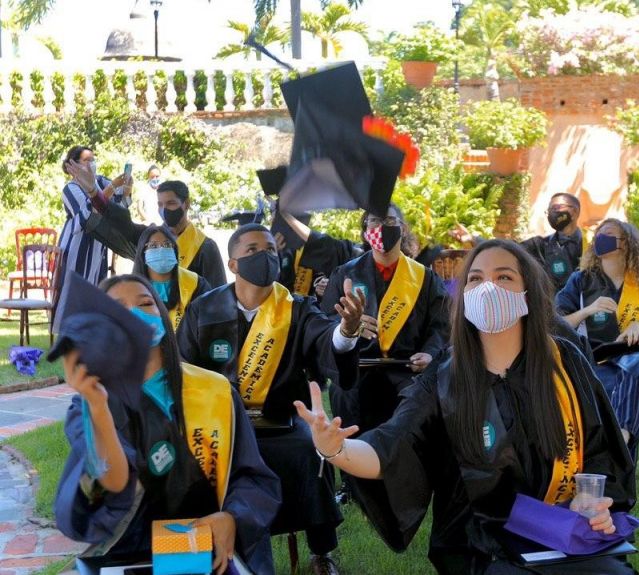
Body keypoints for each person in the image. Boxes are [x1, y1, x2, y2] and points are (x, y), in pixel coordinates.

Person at [295, 239, 637, 574]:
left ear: (527, 293)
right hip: (480, 539)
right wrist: (336, 448)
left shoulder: (564, 363)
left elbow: (599, 448)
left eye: (504, 277)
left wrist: (593, 500)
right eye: (475, 278)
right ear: (464, 295)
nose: (488, 287)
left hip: (564, 526)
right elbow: (392, 444)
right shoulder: (445, 377)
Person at [54, 274, 280, 574]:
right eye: (118, 308)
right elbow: (107, 485)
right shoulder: (90, 405)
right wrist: (97, 406)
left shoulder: (216, 391)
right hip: (129, 552)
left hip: (210, 546)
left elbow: (251, 476)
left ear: (162, 314)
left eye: (145, 303)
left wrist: (233, 518)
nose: (134, 312)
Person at [176, 223, 361, 575]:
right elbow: (183, 370)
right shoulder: (205, 309)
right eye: (252, 250)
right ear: (232, 264)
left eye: (271, 250)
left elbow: (326, 340)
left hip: (280, 421)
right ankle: (195, 547)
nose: (264, 256)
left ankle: (322, 552)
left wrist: (346, 332)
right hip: (222, 424)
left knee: (310, 451)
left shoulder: (297, 308)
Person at [320, 205, 450, 433]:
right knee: (354, 435)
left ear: (403, 228)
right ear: (364, 231)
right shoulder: (345, 274)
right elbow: (326, 323)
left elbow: (440, 326)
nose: (382, 228)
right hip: (358, 370)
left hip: (408, 372)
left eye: (390, 221)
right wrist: (346, 329)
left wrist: (430, 353)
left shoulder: (425, 278)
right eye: (374, 222)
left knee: (409, 445)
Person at [555, 219, 639, 460]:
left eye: (609, 235)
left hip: (632, 356)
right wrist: (586, 311)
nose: (601, 239)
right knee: (636, 369)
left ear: (627, 244)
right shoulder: (580, 281)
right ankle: (619, 453)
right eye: (599, 235)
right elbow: (556, 323)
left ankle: (620, 442)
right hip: (589, 358)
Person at [53, 146, 131, 332]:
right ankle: (70, 337)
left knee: (97, 290)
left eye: (93, 159)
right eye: (87, 160)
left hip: (99, 245)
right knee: (75, 292)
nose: (92, 163)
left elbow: (118, 208)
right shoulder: (71, 188)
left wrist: (127, 190)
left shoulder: (101, 181)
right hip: (77, 246)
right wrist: (112, 188)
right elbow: (87, 213)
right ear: (73, 165)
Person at [452, 193, 585, 292]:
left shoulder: (590, 243)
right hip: (556, 315)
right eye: (549, 210)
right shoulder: (540, 246)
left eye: (556, 208)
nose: (552, 213)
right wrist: (473, 239)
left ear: (574, 212)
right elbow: (507, 248)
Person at [131, 225, 212, 332]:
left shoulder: (196, 284)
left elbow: (208, 327)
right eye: (153, 246)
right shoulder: (131, 289)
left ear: (175, 250)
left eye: (167, 244)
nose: (161, 250)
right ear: (143, 253)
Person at [272, 210, 362, 298]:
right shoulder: (267, 248)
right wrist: (270, 256)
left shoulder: (317, 249)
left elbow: (324, 272)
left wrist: (322, 285)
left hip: (305, 307)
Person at [156, 180, 227, 288]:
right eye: (160, 204)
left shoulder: (205, 246)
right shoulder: (151, 241)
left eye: (171, 203)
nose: (164, 210)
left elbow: (217, 294)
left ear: (187, 204)